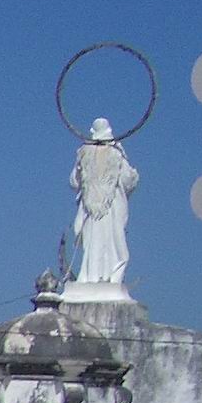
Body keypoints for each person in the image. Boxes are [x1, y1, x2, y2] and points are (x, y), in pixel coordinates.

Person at [70, 117, 138, 288]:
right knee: (111, 240)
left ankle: (91, 276)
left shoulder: (84, 152)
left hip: (94, 208)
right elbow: (127, 179)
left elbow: (74, 181)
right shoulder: (117, 153)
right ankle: (104, 276)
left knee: (95, 241)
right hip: (109, 207)